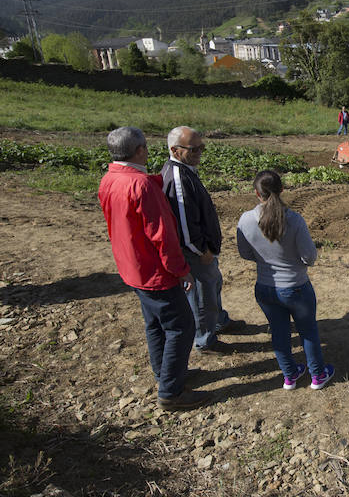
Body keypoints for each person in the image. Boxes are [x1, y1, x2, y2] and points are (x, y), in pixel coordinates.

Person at [98, 126, 210, 411]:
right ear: (139, 150)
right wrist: (180, 269)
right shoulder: (143, 185)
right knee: (181, 327)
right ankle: (171, 392)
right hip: (155, 272)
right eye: (145, 146)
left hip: (131, 267)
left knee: (155, 325)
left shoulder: (109, 179)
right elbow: (162, 234)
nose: (147, 150)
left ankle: (165, 373)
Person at [236, 170, 335, 390]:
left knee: (279, 332)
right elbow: (309, 257)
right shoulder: (294, 219)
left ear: (256, 193)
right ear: (282, 190)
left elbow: (244, 253)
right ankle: (317, 376)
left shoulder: (245, 220)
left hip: (265, 288)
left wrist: (265, 261)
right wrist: (295, 263)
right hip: (296, 287)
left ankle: (290, 375)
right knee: (307, 330)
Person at [161, 126, 244, 355]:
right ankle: (205, 340)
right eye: (194, 148)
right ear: (175, 150)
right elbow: (185, 222)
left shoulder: (186, 170)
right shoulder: (178, 177)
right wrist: (201, 250)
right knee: (201, 295)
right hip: (195, 253)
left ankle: (219, 321)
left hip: (203, 249)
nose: (199, 152)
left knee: (213, 285)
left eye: (202, 147)